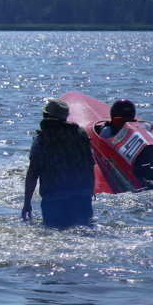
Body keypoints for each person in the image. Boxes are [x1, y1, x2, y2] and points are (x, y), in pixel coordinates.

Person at [22, 98, 95, 228]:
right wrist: (88, 198)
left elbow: (33, 173)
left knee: (55, 234)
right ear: (66, 117)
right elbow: (89, 168)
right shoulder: (81, 135)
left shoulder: (41, 138)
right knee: (82, 234)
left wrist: (27, 203)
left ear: (46, 116)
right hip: (81, 197)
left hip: (54, 199)